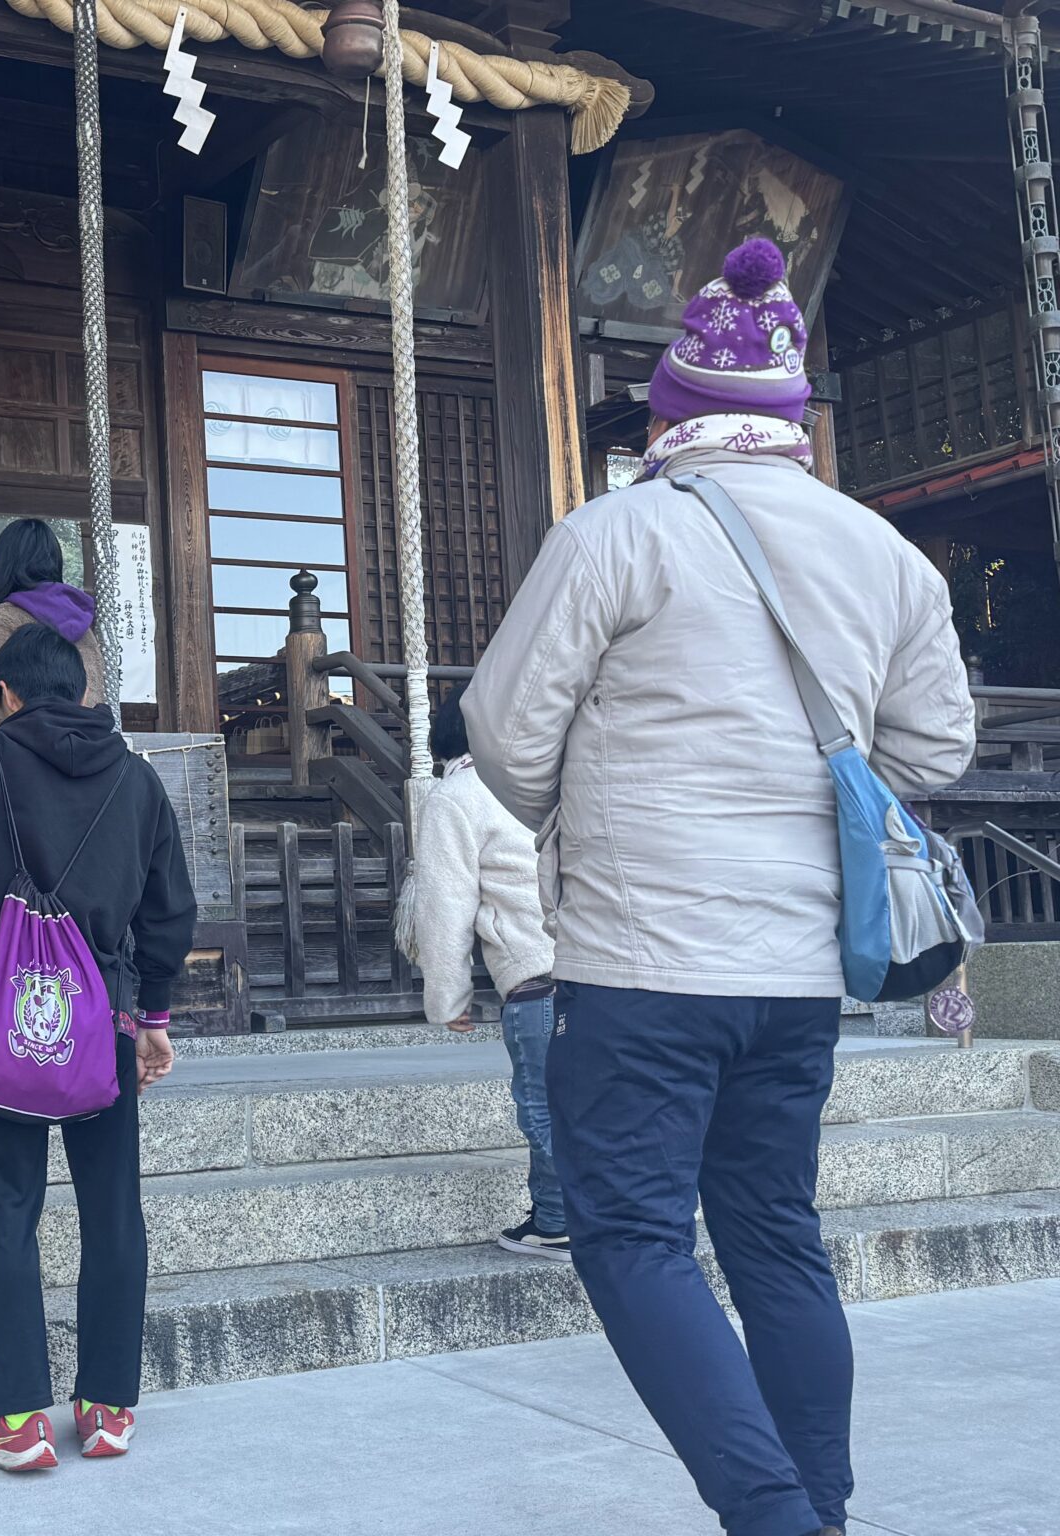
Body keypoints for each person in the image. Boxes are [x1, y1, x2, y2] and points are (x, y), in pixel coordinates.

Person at [465, 239, 976, 1536]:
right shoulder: (881, 556)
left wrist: (573, 815)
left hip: (641, 962)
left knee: (631, 1238)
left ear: (671, 414)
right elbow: (933, 752)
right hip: (798, 970)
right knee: (774, 1237)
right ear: (792, 417)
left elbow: (504, 734)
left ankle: (775, 1518)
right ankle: (821, 1510)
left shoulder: (615, 535)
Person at [0, 623, 196, 1472]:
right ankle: (106, 1409)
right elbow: (169, 911)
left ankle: (16, 1422)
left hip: (5, 1027)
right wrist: (153, 1015)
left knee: (4, 1209)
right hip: (105, 1023)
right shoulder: (137, 779)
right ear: (81, 691)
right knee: (113, 1211)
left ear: (5, 694)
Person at [410, 683, 564, 1260]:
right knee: (596, 1101)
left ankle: (561, 1220)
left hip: (536, 976)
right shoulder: (550, 783)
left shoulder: (456, 795)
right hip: (602, 970)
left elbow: (445, 906)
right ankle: (562, 1215)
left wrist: (449, 998)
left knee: (545, 1106)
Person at [0, 517, 106, 752]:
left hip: (26, 759)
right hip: (85, 754)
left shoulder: (1, 621)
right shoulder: (83, 627)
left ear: (2, 565)